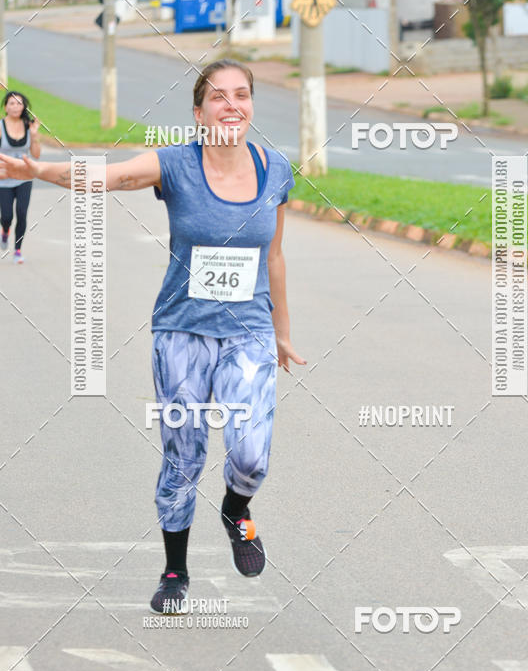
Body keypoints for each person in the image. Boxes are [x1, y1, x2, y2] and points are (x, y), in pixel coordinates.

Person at [0, 59, 305, 613]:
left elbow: (275, 256)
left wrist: (282, 333)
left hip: (250, 332)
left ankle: (236, 508)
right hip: (182, 330)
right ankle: (175, 569)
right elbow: (107, 177)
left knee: (251, 454)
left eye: (242, 94)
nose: (231, 105)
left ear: (252, 104)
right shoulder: (175, 165)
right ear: (198, 112)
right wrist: (36, 172)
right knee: (184, 455)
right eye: (218, 97)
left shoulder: (276, 169)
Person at [0, 91, 41, 262]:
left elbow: (36, 155)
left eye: (19, 103)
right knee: (7, 216)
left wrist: (34, 135)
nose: (16, 106)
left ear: (24, 106)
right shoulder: (0, 126)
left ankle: (18, 250)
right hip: (4, 177)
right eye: (12, 103)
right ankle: (5, 231)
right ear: (5, 107)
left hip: (24, 177)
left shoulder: (28, 126)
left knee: (22, 213)